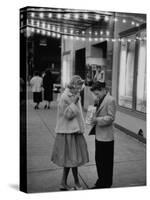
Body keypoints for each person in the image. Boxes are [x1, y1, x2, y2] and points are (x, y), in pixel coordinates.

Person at [51, 75, 89, 191]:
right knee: (72, 159)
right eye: (78, 87)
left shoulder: (74, 95)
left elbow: (78, 115)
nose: (79, 90)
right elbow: (67, 115)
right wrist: (74, 102)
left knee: (71, 159)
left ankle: (64, 183)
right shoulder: (65, 97)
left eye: (80, 88)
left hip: (75, 131)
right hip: (67, 132)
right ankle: (75, 183)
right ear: (73, 85)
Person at [90, 81, 116, 189]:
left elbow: (111, 118)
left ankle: (106, 183)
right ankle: (101, 180)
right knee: (99, 160)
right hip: (99, 135)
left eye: (97, 93)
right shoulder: (100, 99)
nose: (96, 96)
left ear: (103, 90)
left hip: (107, 137)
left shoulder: (110, 100)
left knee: (106, 162)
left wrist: (97, 120)